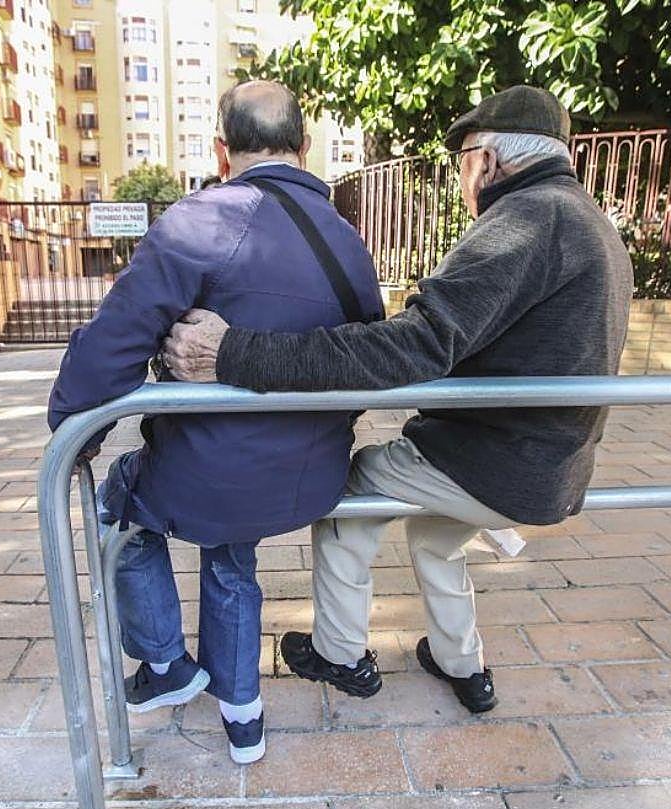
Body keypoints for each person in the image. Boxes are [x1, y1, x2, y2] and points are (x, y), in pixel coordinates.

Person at [162, 85, 634, 713]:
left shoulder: (525, 222)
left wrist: (232, 353)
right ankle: (461, 663)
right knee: (437, 538)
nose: (463, 178)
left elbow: (410, 348)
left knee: (347, 498)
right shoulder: (590, 222)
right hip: (552, 467)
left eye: (462, 161)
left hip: (492, 459)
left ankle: (338, 653)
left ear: (486, 162)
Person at [47, 81, 383, 763]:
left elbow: (116, 341)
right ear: (305, 147)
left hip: (202, 471)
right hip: (307, 472)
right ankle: (243, 717)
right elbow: (366, 357)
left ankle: (166, 662)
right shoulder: (349, 242)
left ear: (222, 150)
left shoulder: (201, 220)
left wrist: (70, 427)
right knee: (232, 555)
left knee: (120, 507)